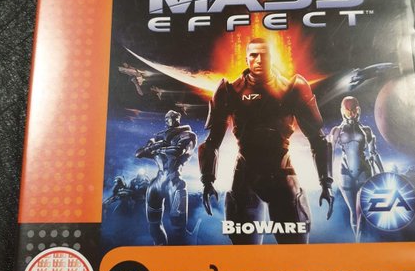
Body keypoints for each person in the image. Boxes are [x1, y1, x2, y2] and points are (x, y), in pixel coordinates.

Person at [199, 38, 333, 244]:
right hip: (245, 176)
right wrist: (207, 180)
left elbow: (318, 139)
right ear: (246, 59)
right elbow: (212, 142)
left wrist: (326, 182)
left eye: (265, 55)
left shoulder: (293, 88)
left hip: (282, 175)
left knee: (296, 252)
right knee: (246, 255)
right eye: (254, 55)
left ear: (272, 57)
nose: (259, 60)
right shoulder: (230, 91)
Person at [136, 110, 196, 245]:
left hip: (174, 182)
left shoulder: (187, 135)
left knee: (178, 227)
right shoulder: (158, 137)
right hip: (157, 183)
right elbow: (139, 153)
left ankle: (183, 253)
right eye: (169, 118)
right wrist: (155, 146)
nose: (172, 120)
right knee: (153, 224)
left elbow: (177, 151)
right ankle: (161, 250)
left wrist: (158, 148)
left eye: (174, 117)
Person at [329, 96, 384, 239]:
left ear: (358, 110)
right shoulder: (337, 131)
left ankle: (362, 241)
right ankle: (358, 243)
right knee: (354, 212)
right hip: (345, 173)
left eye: (354, 110)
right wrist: (327, 180)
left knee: (363, 212)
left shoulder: (366, 130)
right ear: (343, 111)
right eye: (348, 111)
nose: (352, 114)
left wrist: (383, 174)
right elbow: (330, 155)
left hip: (364, 172)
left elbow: (373, 154)